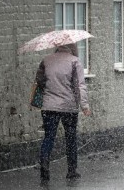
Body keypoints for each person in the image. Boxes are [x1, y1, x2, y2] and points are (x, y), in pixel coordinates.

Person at [35, 43, 91, 184]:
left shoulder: (46, 60)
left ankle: (44, 167)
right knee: (71, 138)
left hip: (49, 106)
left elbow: (40, 81)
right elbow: (80, 85)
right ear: (72, 47)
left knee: (49, 137)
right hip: (68, 107)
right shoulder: (74, 61)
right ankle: (71, 171)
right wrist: (84, 105)